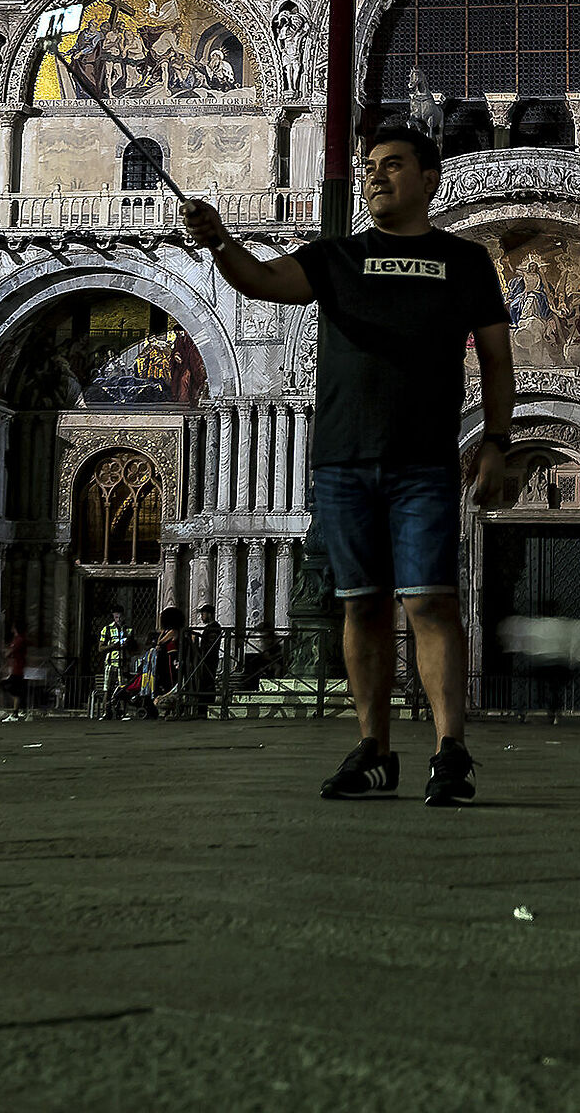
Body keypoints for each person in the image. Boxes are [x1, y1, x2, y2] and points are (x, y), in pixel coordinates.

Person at [184, 125, 513, 808]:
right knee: (359, 607)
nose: (375, 177)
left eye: (393, 166)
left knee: (429, 602)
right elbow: (260, 281)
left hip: (423, 459)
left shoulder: (466, 262)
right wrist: (219, 241)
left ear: (430, 179)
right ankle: (375, 750)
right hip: (342, 459)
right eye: (368, 168)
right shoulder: (336, 257)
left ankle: (450, 749)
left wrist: (498, 441)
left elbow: (497, 359)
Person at [0, 621, 32, 722]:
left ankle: (16, 712)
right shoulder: (17, 639)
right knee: (17, 691)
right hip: (16, 669)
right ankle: (18, 710)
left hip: (17, 670)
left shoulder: (19, 640)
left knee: (6, 686)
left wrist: (6, 651)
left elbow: (9, 652)